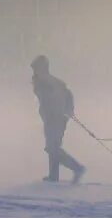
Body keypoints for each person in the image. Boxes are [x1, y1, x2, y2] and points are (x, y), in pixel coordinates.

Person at [31, 54, 85, 183]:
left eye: (36, 68)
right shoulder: (48, 81)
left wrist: (68, 110)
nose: (34, 71)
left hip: (55, 118)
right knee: (53, 146)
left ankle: (77, 168)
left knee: (52, 148)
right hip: (54, 118)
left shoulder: (46, 82)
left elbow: (64, 95)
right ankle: (53, 176)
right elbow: (67, 95)